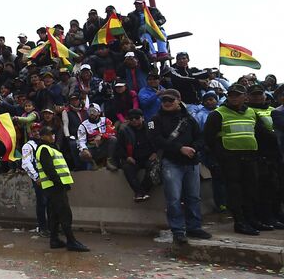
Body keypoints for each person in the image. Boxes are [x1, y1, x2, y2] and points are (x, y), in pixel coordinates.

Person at [204, 84, 275, 234]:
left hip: (250, 157)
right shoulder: (218, 114)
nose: (234, 98)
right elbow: (208, 139)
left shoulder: (250, 113)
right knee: (235, 192)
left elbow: (262, 133)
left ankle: (251, 220)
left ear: (245, 97)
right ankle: (240, 222)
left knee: (250, 190)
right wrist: (219, 156)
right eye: (231, 95)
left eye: (237, 95)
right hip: (230, 158)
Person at [149, 88, 211, 244]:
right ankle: (177, 230)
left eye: (171, 100)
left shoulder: (189, 118)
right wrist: (180, 149)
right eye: (164, 100)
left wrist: (194, 149)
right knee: (173, 199)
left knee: (194, 197)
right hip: (171, 163)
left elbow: (201, 137)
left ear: (179, 100)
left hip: (191, 162)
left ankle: (194, 227)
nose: (167, 103)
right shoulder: (155, 119)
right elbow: (156, 140)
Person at [35, 126, 89, 252]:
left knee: (54, 214)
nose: (52, 137)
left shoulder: (51, 148)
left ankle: (54, 239)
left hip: (54, 186)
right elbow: (50, 170)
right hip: (55, 186)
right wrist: (60, 183)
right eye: (49, 135)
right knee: (65, 213)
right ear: (42, 136)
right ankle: (71, 241)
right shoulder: (44, 148)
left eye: (53, 134)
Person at [247, 84, 284, 228]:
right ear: (248, 96)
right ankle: (266, 217)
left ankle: (277, 214)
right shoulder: (248, 111)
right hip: (260, 155)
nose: (257, 97)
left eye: (259, 94)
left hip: (276, 154)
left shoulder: (272, 110)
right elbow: (263, 133)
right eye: (254, 95)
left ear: (264, 95)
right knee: (264, 189)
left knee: (277, 187)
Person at [116, 109, 156, 201]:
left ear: (142, 118)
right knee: (127, 168)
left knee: (154, 168)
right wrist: (127, 157)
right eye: (131, 118)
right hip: (133, 158)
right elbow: (119, 147)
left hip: (149, 157)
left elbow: (158, 141)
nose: (134, 120)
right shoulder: (124, 130)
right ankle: (140, 192)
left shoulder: (150, 127)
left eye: (137, 118)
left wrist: (155, 153)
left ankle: (142, 191)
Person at [21, 123, 49, 236]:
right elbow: (26, 163)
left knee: (51, 202)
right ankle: (43, 228)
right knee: (42, 202)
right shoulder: (28, 146)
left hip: (48, 176)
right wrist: (36, 177)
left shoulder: (44, 144)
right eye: (34, 131)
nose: (37, 133)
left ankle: (52, 226)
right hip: (39, 178)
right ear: (30, 133)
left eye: (38, 130)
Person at [77, 104, 118, 171]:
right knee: (82, 154)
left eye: (94, 111)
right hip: (92, 148)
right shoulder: (83, 125)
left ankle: (109, 162)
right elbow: (81, 140)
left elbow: (112, 132)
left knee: (113, 139)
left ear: (99, 112)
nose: (92, 113)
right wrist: (84, 149)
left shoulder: (105, 120)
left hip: (104, 146)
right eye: (90, 111)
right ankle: (93, 163)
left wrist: (101, 136)